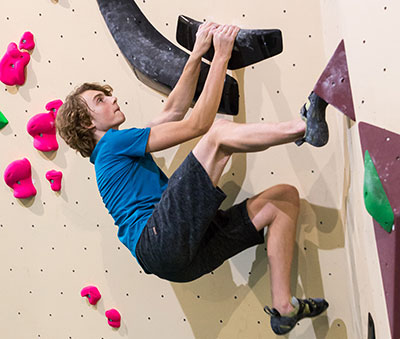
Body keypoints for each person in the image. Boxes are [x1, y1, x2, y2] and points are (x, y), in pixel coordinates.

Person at [56, 22, 329, 335]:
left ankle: (284, 309)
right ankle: (304, 126)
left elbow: (174, 110)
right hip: (158, 241)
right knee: (217, 137)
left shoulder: (113, 153)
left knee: (283, 200)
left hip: (178, 260)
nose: (111, 98)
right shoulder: (112, 146)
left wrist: (199, 52)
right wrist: (222, 55)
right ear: (88, 125)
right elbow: (198, 123)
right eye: (100, 101)